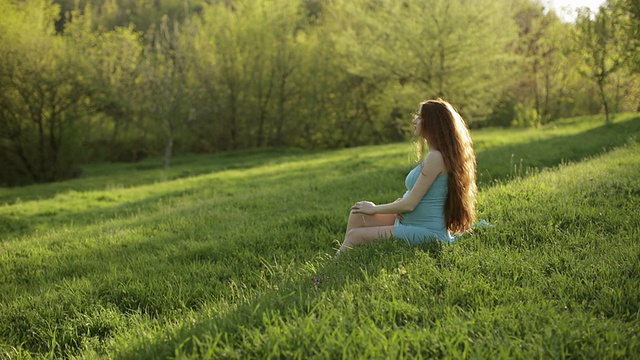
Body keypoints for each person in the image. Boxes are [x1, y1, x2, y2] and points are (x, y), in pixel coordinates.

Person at [336, 98, 477, 255]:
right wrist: (399, 204)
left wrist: (374, 209)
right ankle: (350, 256)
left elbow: (409, 205)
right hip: (409, 220)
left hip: (428, 232)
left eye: (420, 117)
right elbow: (417, 197)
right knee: (358, 214)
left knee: (356, 235)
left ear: (433, 123)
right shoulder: (435, 155)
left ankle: (331, 271)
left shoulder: (436, 158)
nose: (414, 120)